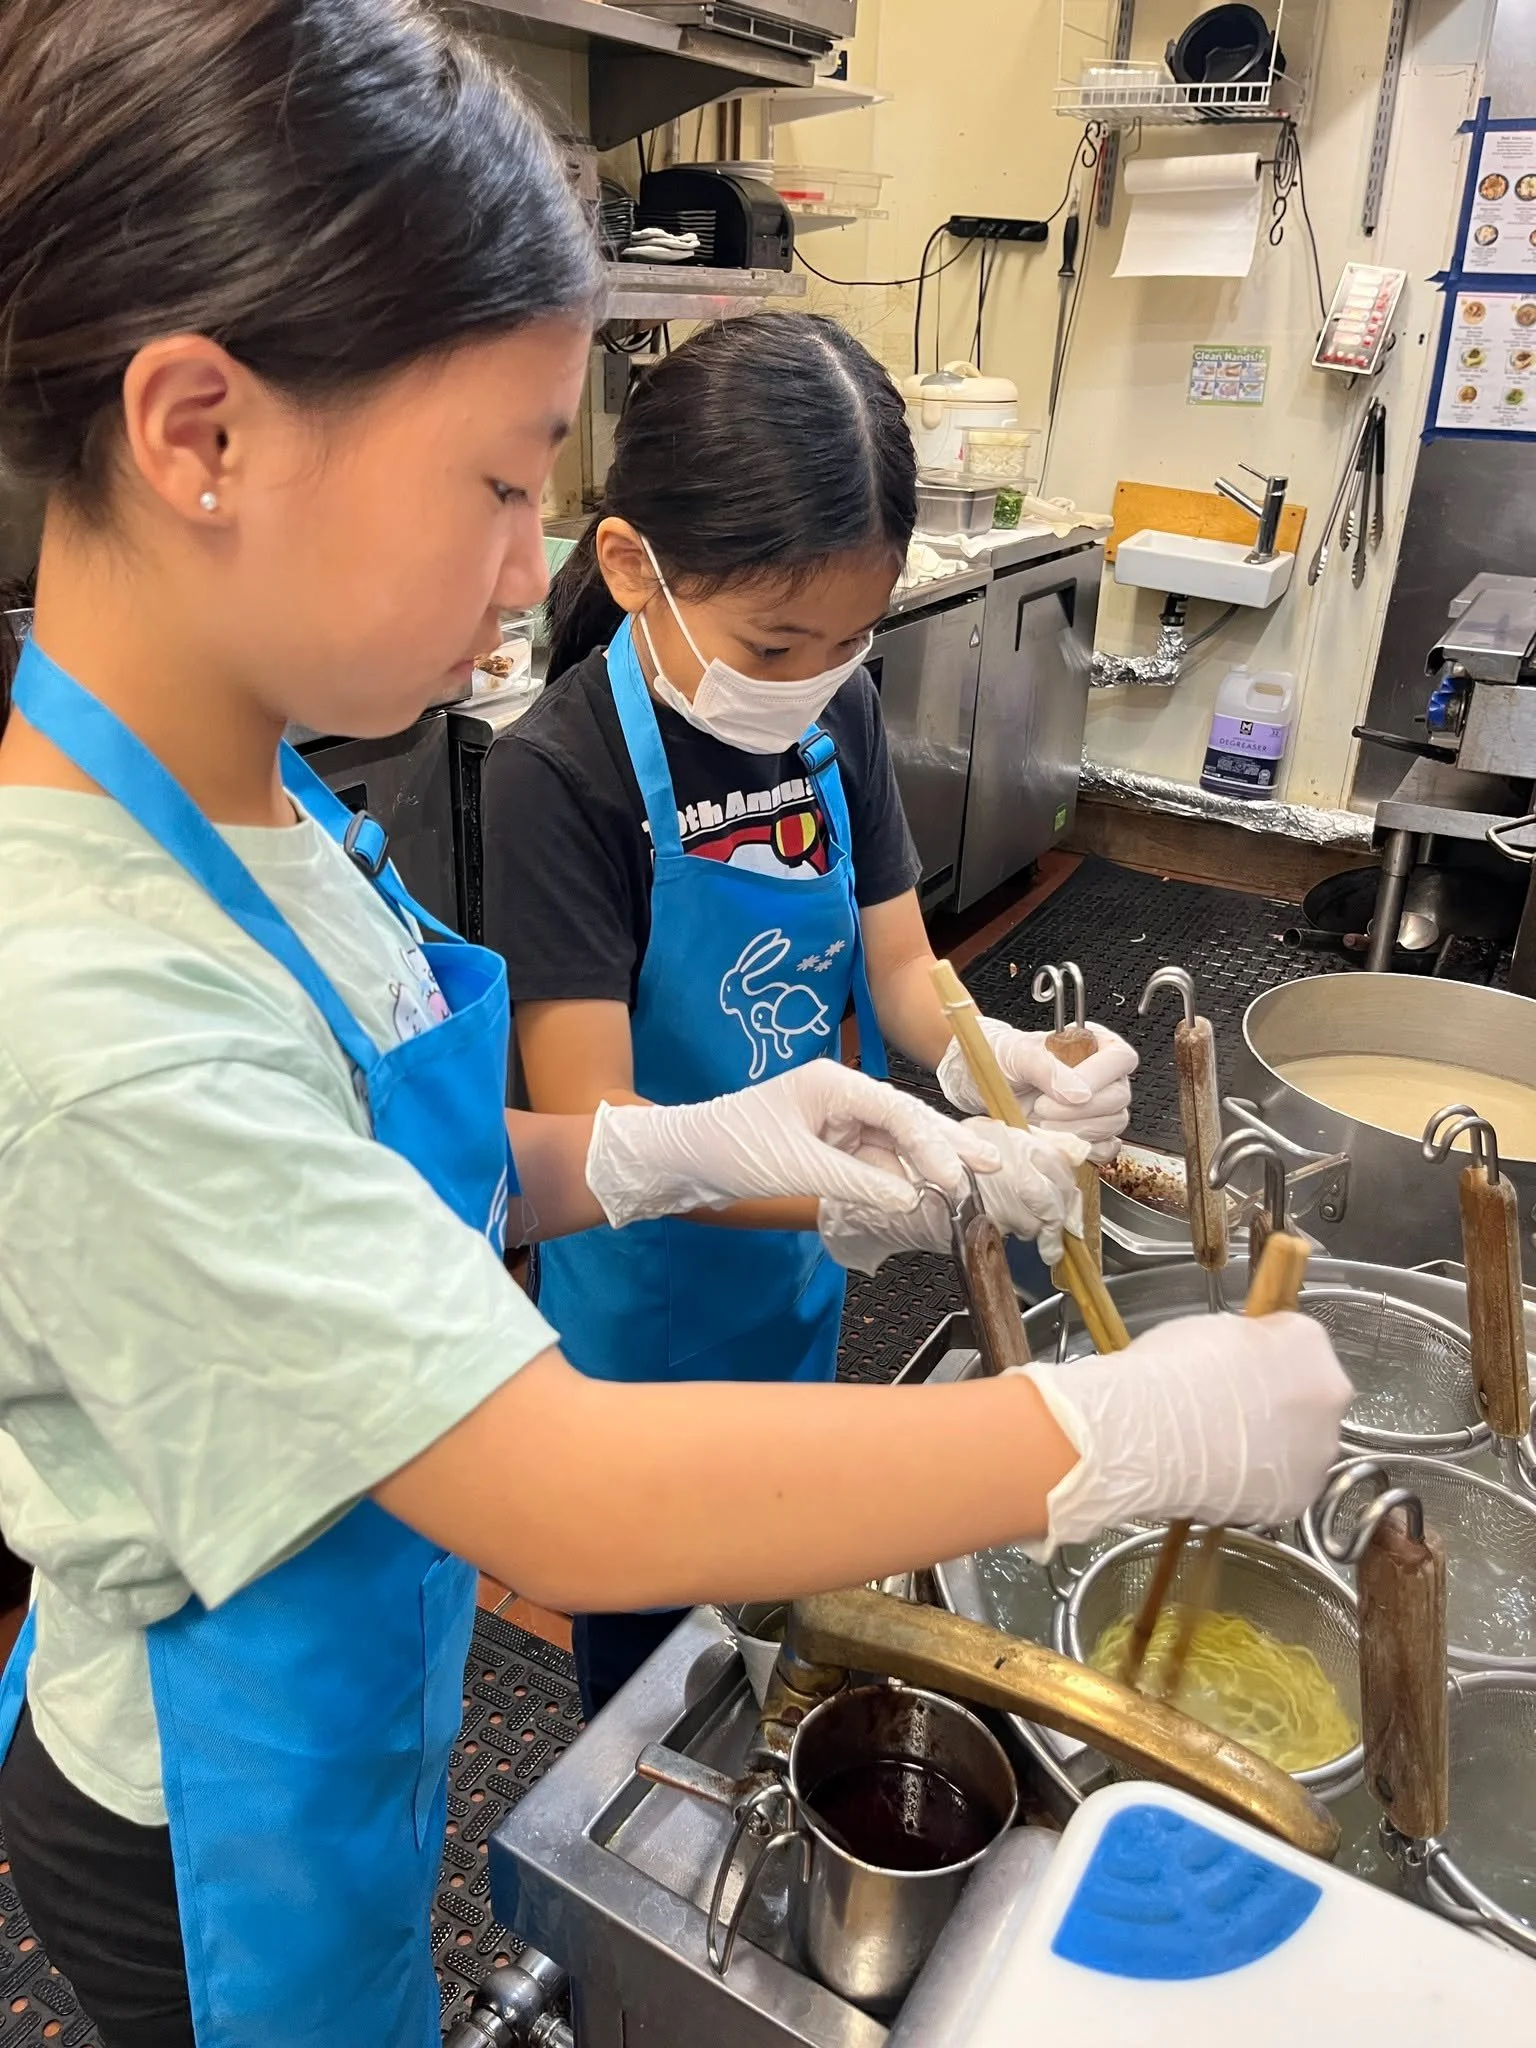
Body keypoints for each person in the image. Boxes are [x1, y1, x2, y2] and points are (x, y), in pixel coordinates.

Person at [0, 3, 1351, 2043]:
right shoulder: (95, 1004)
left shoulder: (260, 807)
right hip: (211, 1803)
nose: (523, 568)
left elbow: (394, 1151)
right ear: (203, 435)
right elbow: (551, 1492)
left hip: (348, 1672)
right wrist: (1116, 1428)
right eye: (496, 484)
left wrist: (653, 1147)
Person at [490, 313, 1142, 1712]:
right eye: (776, 639)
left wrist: (1003, 1065)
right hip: (645, 1326)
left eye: (848, 639)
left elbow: (902, 969)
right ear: (631, 566)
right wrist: (872, 1186)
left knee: (786, 1595)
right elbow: (592, 1125)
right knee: (657, 1664)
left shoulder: (830, 708)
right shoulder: (563, 772)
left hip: (794, 1280)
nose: (809, 679)